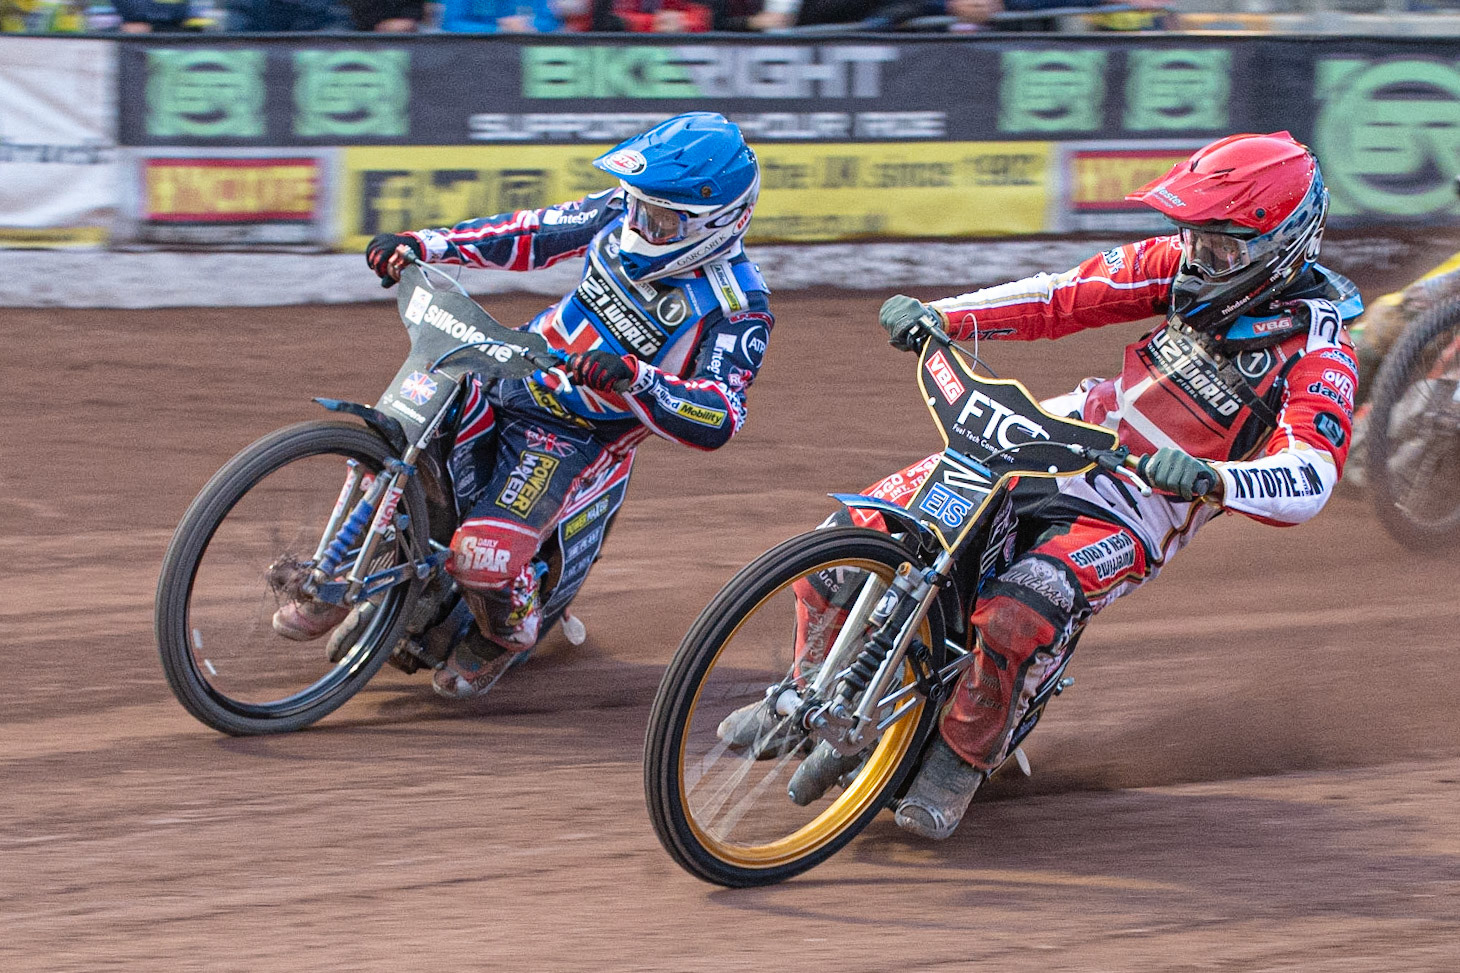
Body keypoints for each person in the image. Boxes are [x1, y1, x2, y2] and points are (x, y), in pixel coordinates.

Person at [736, 132, 1362, 838]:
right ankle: (800, 689)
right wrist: (948, 315)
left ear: (1282, 247)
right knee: (860, 532)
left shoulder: (1320, 351)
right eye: (1192, 236)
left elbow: (1310, 474)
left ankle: (960, 758)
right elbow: (1063, 295)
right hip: (1067, 431)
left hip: (1145, 500)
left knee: (1020, 608)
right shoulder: (1181, 266)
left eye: (1220, 247)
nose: (1197, 257)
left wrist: (1215, 477)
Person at [273, 112, 772, 700]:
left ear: (715, 224)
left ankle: (508, 634)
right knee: (400, 444)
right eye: (636, 204)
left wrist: (637, 380)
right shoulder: (618, 214)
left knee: (482, 557)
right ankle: (335, 573)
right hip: (507, 365)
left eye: (659, 217)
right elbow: (530, 232)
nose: (637, 222)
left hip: (573, 433)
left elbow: (721, 413)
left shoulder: (737, 305)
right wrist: (425, 244)